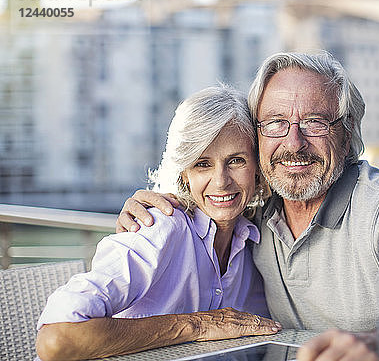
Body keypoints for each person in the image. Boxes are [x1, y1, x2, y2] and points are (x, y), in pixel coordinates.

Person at [117, 51, 379, 360]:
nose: (294, 143)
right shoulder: (254, 209)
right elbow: (203, 193)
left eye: (315, 122)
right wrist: (146, 204)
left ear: (346, 135)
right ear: (258, 138)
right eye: (275, 123)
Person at [35, 87, 282, 361]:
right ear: (184, 175)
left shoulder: (254, 241)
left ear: (258, 168)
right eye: (202, 164)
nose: (221, 180)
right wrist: (197, 325)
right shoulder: (160, 226)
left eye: (236, 161)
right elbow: (57, 340)